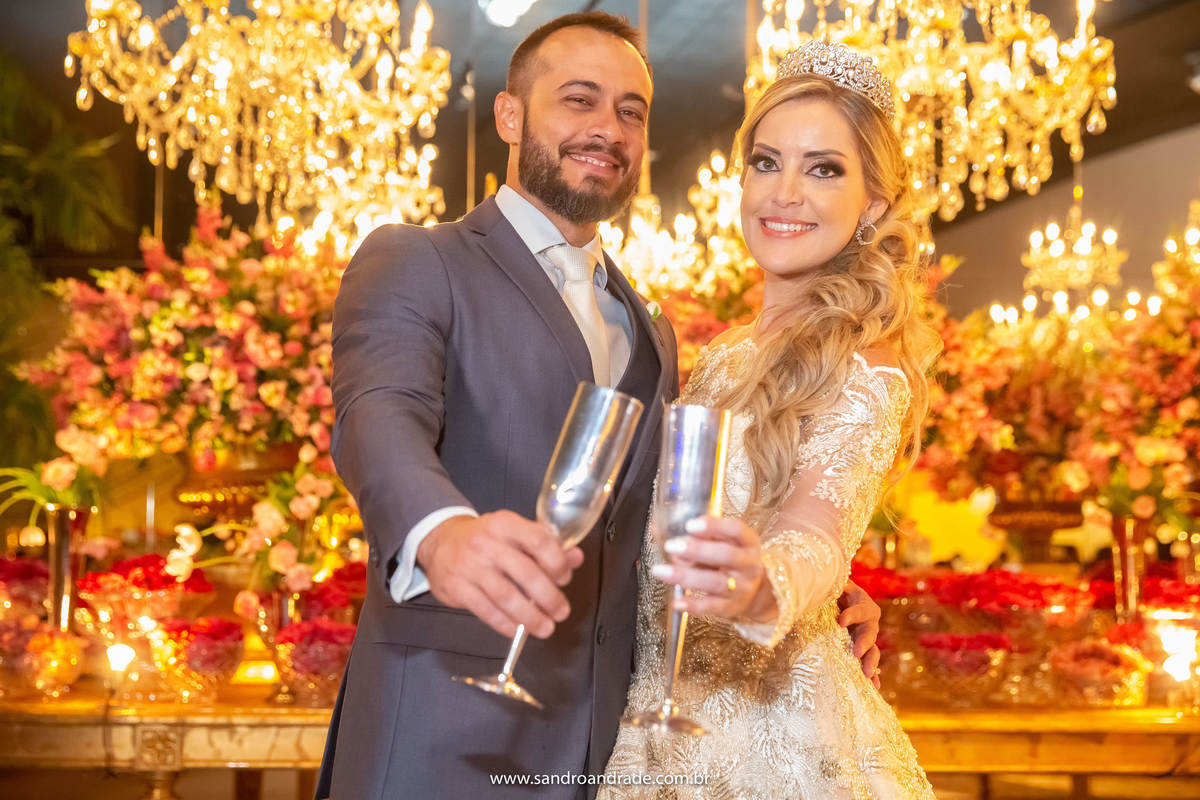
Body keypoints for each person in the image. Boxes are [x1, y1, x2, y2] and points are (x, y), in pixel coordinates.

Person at [315, 16, 882, 800]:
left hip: (615, 749)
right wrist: (440, 534)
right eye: (578, 101)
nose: (606, 130)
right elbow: (377, 417)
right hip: (444, 731)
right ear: (510, 115)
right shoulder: (420, 259)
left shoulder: (653, 331)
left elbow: (663, 514)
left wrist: (808, 585)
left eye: (630, 111)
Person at [601, 42, 941, 799]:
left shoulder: (867, 368)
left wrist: (765, 589)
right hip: (651, 723)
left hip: (767, 749)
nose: (784, 192)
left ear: (874, 205)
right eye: (766, 161)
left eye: (824, 169)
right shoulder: (724, 353)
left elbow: (813, 536)